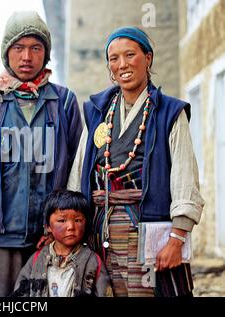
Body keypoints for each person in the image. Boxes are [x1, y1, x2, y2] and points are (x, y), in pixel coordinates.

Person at [67, 27, 204, 297]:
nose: (122, 65)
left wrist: (176, 239)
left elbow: (184, 179)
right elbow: (78, 173)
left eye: (130, 55)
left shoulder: (169, 113)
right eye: (114, 58)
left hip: (149, 233)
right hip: (99, 231)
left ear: (148, 58)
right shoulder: (98, 112)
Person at [0, 11, 83, 297]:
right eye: (18, 48)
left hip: (52, 239)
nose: (27, 56)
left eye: (35, 48)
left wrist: (68, 231)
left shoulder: (63, 102)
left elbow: (78, 171)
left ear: (45, 54)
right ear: (6, 53)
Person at [11, 190, 111, 297]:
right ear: (48, 226)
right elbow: (20, 292)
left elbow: (105, 292)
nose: (71, 227)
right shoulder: (37, 259)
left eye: (78, 220)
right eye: (62, 221)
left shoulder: (92, 260)